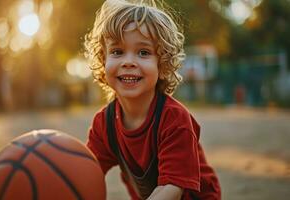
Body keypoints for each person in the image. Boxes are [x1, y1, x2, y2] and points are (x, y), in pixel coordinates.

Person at [84, 0, 221, 199]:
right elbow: (87, 170)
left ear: (162, 64)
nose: (129, 62)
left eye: (143, 52)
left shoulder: (174, 119)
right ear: (103, 59)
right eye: (117, 51)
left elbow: (171, 187)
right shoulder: (103, 123)